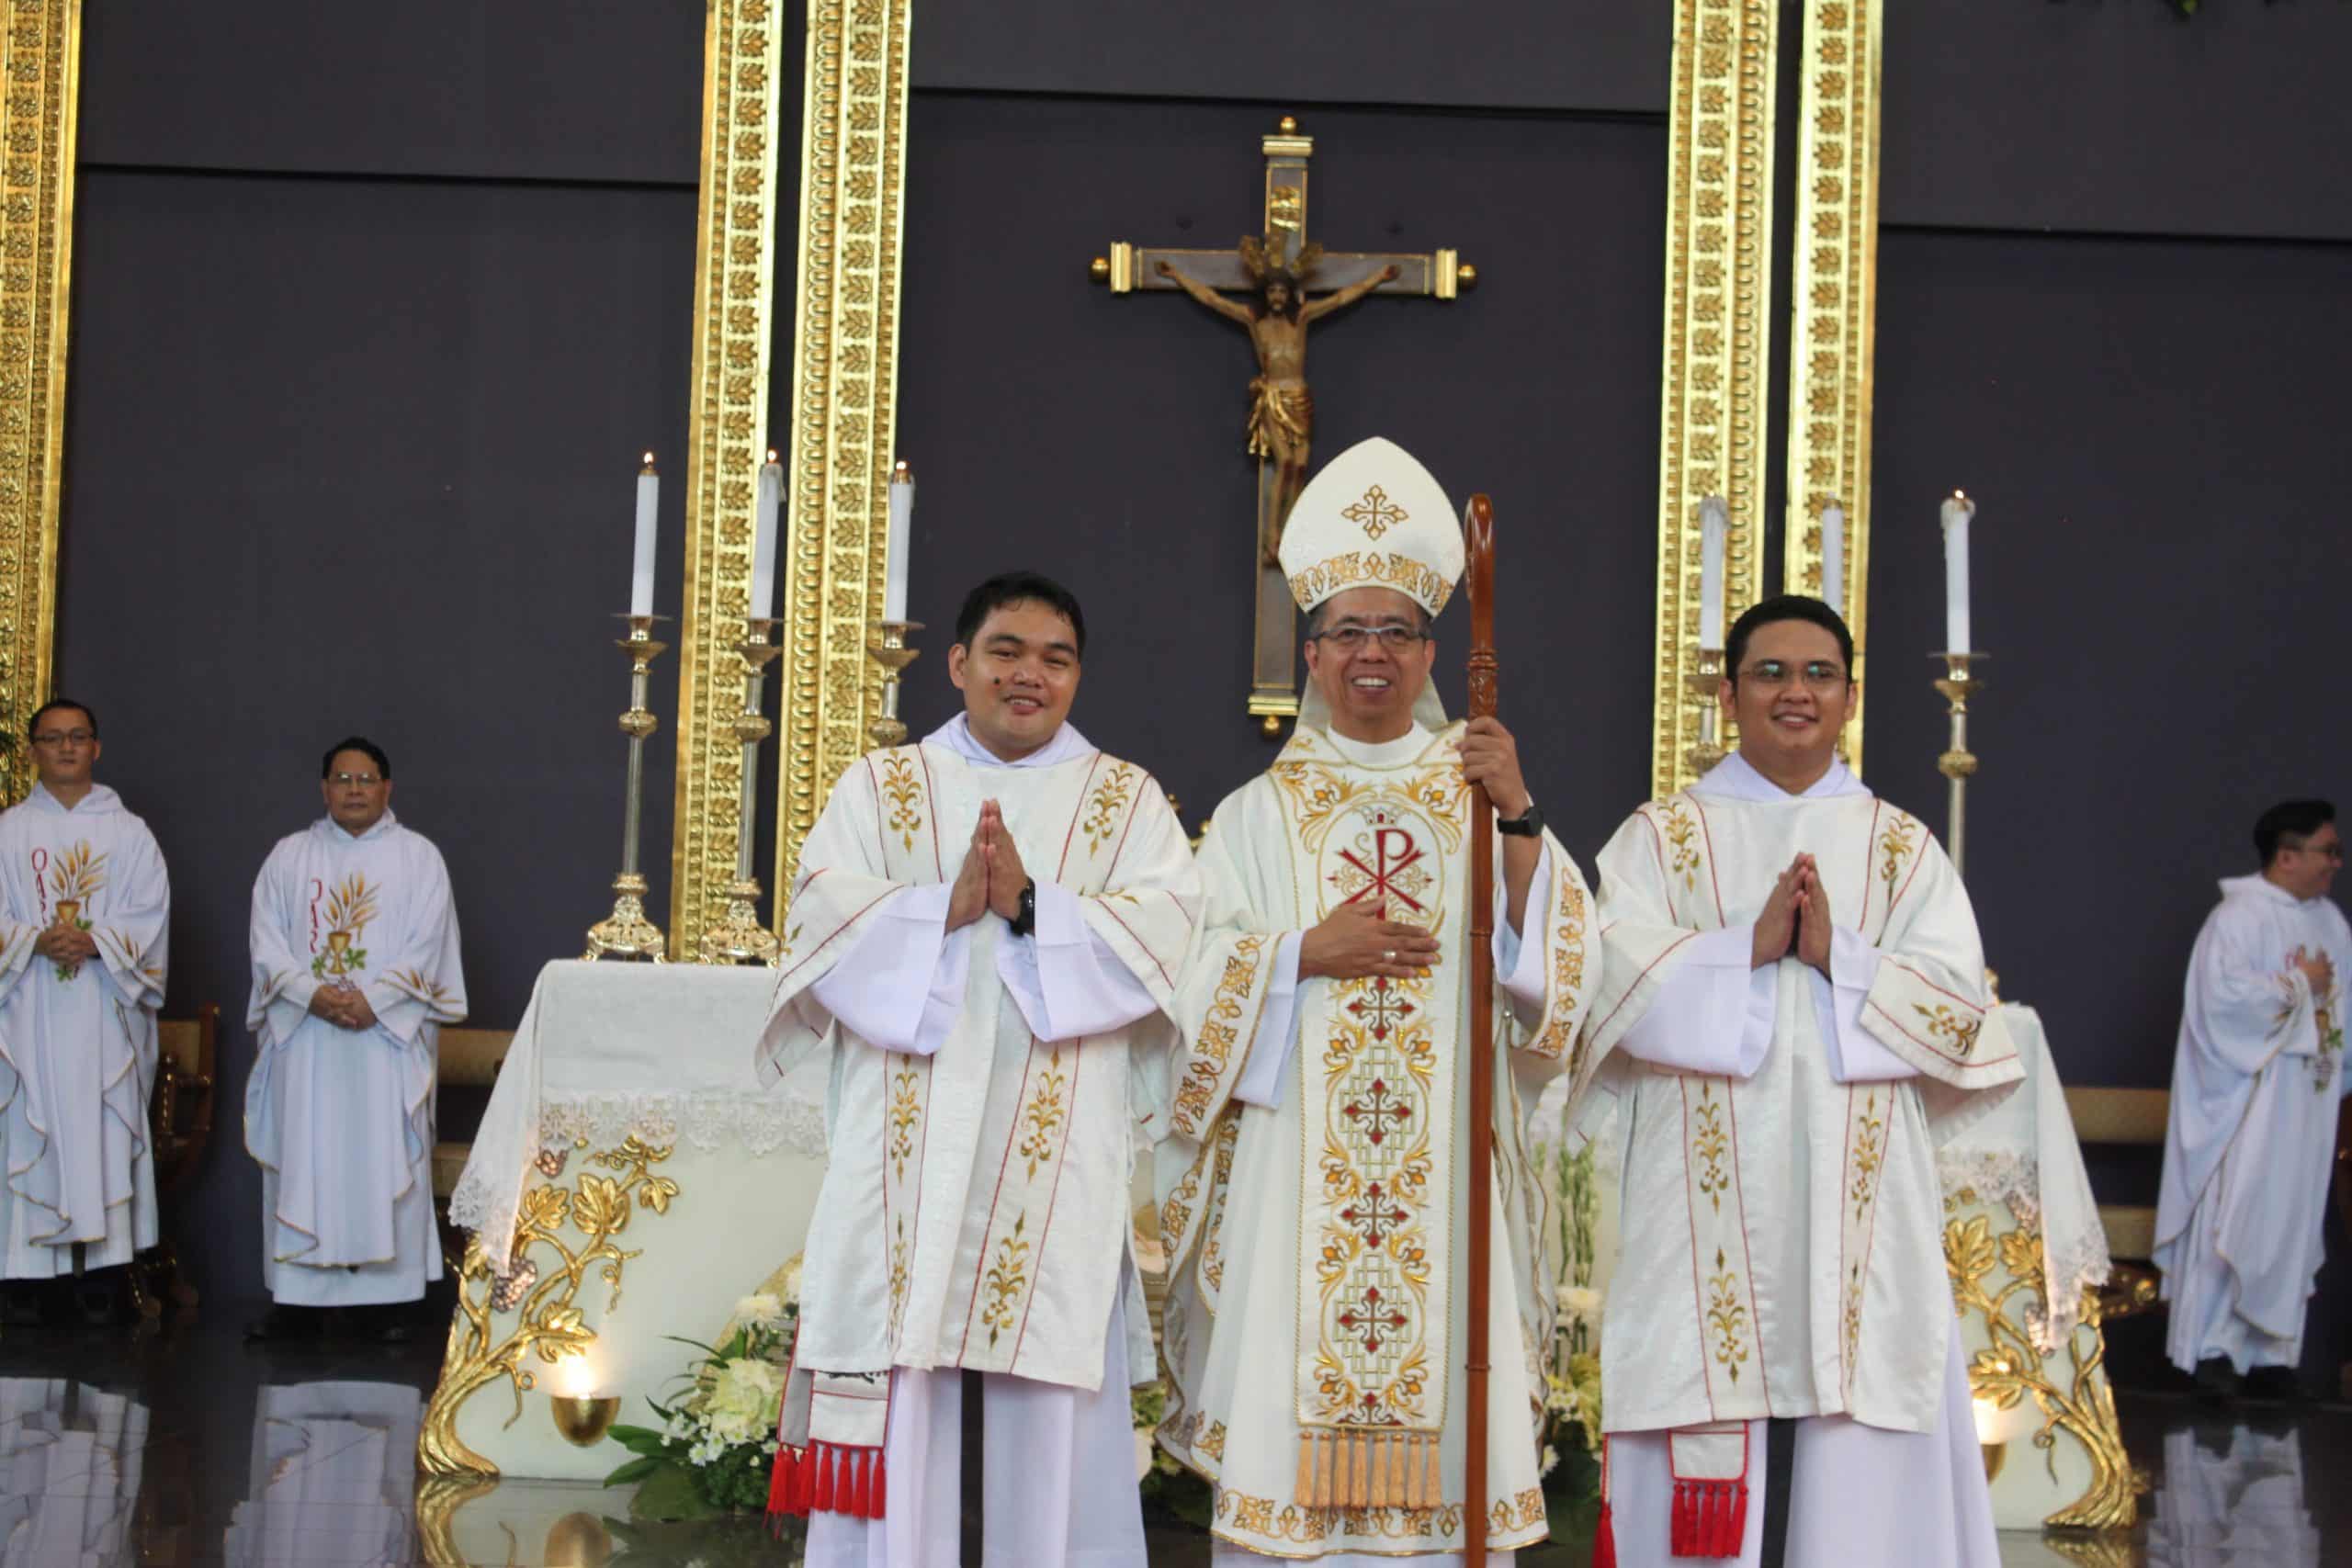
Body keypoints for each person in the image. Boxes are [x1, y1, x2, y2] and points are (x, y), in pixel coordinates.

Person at [1156, 436, 1599, 1564]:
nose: (1370, 654)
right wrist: (1299, 951)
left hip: (1445, 1179)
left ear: (1428, 650)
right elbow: (1186, 978)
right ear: (1309, 652)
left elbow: (1549, 980)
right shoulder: (1256, 813)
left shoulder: (1478, 783)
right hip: (1297, 1178)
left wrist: (1521, 815)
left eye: (1394, 631)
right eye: (1347, 631)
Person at [757, 571, 1201, 1568]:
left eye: (1056, 657)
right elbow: (820, 920)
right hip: (906, 1145)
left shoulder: (1125, 801)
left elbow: (1169, 941)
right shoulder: (880, 786)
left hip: (1055, 1158)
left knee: (1044, 1393)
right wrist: (942, 908)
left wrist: (1036, 906)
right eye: (1006, 650)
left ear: (1079, 677)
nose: (1029, 674)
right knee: (902, 1383)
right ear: (958, 664)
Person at [1579, 595, 2016, 1567]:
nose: (1794, 692)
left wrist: (1837, 959)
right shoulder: (1661, 838)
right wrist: (1744, 949)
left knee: (1852, 1449)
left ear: (1850, 697)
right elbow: (1604, 991)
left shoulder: (1900, 850)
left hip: (1856, 1202)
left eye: (1817, 674)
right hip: (1701, 1201)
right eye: (1769, 672)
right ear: (1726, 693)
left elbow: (1960, 1022)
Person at [243, 737, 464, 1341]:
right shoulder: (290, 857)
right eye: (342, 778)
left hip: (384, 1039)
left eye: (366, 778)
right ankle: (297, 1299)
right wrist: (312, 993)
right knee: (303, 1156)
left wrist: (376, 999)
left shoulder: (418, 858)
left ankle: (390, 1301)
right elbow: (267, 942)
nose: (355, 789)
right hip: (306, 1036)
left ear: (387, 787)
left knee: (381, 1155)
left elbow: (429, 942)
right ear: (324, 788)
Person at [2154, 799, 2349, 1401]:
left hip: (2305, 1100)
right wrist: (2299, 986)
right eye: (2328, 851)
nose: (2336, 864)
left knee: (2289, 1218)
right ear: (2287, 855)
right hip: (2247, 1099)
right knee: (2235, 1213)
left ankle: (2271, 1353)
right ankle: (2212, 1350)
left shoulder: (2331, 922)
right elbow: (2222, 1005)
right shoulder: (2235, 919)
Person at [0, 699, 167, 1325]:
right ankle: (22, 1278)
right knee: (26, 1129)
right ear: (33, 749)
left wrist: (97, 940)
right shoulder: (8, 831)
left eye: (77, 737)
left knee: (99, 1123)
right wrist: (30, 939)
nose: (66, 748)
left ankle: (102, 1274)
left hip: (102, 1009)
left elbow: (150, 917)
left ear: (96, 748)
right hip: (24, 1011)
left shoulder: (129, 834)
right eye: (52, 738)